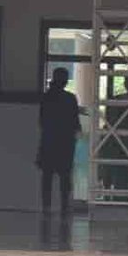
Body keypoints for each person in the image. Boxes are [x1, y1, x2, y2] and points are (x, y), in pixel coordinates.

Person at [37, 68, 82, 215]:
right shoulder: (70, 98)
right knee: (65, 176)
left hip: (49, 140)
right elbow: (75, 122)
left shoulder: (46, 97)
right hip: (65, 142)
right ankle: (64, 205)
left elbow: (42, 120)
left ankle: (46, 205)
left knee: (47, 176)